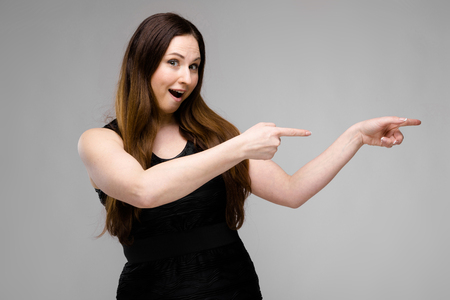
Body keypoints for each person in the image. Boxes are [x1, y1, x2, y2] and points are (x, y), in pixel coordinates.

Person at [78, 12, 421, 300]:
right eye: (174, 63)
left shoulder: (214, 135)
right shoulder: (100, 142)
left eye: (195, 66)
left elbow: (291, 190)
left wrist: (356, 136)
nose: (187, 77)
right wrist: (238, 147)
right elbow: (143, 190)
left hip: (233, 287)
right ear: (143, 63)